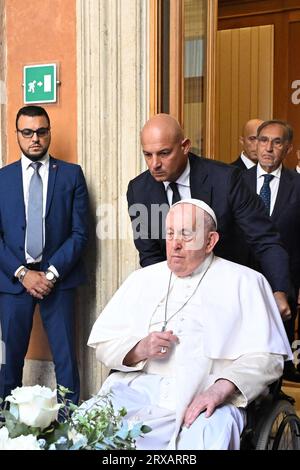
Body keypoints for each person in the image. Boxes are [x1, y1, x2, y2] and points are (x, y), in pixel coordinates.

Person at [87, 200, 291, 450]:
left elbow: (268, 358)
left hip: (209, 394)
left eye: (186, 234)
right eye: (170, 233)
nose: (175, 243)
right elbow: (104, 345)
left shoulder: (246, 281)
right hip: (141, 389)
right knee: (89, 422)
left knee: (208, 435)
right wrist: (139, 348)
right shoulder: (142, 279)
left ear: (210, 241)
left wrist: (221, 389)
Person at [126, 114, 290, 320]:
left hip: (230, 296)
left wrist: (278, 291)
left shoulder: (226, 179)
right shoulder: (138, 190)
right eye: (148, 155)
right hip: (175, 301)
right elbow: (150, 255)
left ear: (185, 146)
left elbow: (265, 239)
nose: (154, 164)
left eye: (164, 153)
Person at [0, 106, 89, 404]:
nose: (35, 138)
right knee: (9, 361)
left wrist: (49, 274)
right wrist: (23, 274)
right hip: (13, 282)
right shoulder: (2, 179)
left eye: (41, 131)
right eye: (27, 132)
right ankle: (5, 426)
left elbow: (80, 234)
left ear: (49, 132)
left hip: (58, 280)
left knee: (66, 361)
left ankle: (72, 427)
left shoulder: (71, 175)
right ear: (17, 136)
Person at [242, 120, 300, 382]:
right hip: (242, 278)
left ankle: (274, 398)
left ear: (287, 148)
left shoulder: (297, 184)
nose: (268, 148)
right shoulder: (235, 181)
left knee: (277, 351)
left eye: (277, 142)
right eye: (263, 140)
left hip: (284, 281)